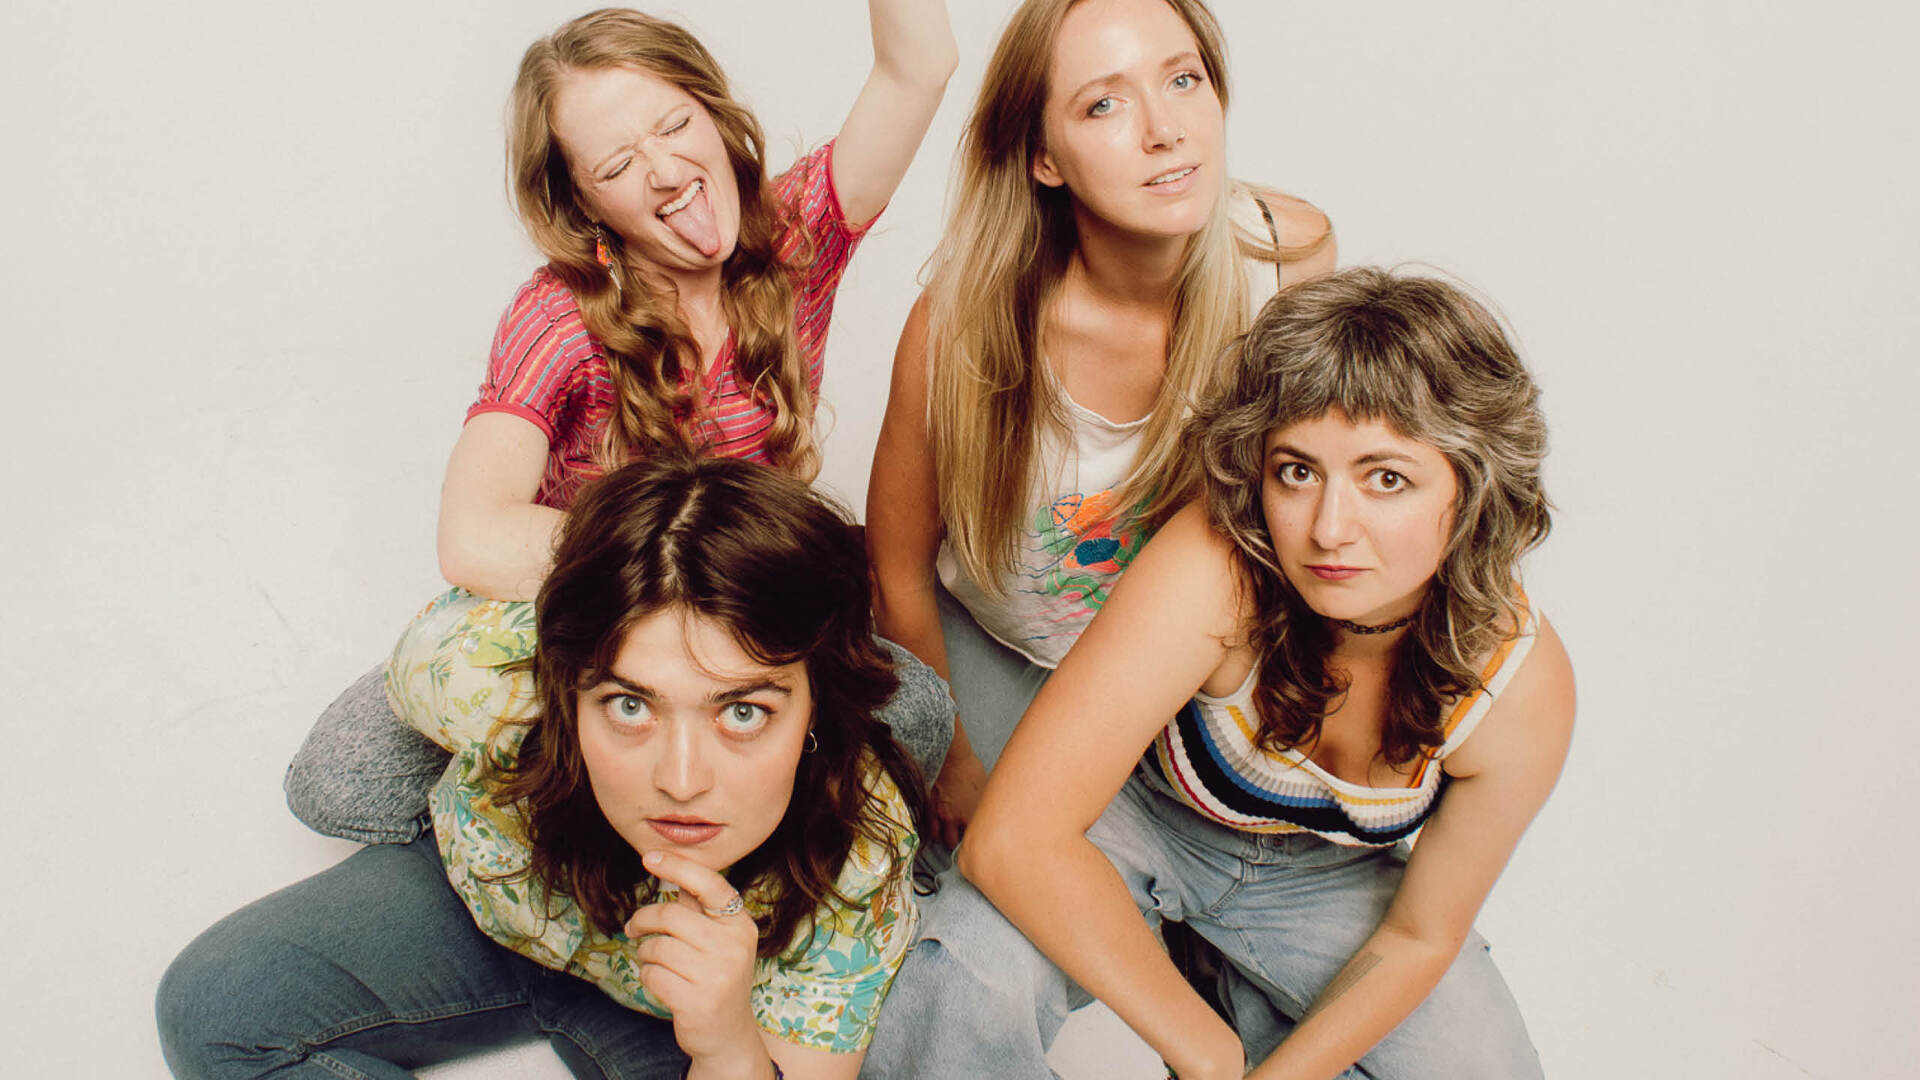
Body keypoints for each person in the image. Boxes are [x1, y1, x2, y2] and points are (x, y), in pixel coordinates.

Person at [868, 267, 1576, 1078]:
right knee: (964, 983)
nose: (1329, 529)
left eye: (1387, 479)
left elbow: (1418, 937)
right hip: (1140, 814)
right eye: (1297, 471)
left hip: (1320, 879)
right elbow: (1013, 841)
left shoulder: (1517, 685)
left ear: (1474, 485)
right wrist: (1206, 1052)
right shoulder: (1217, 566)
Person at [284, 3, 958, 844]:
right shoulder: (558, 316)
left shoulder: (794, 236)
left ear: (713, 112)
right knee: (337, 779)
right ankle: (606, 814)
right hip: (602, 623)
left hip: (748, 620)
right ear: (583, 204)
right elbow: (474, 536)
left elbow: (918, 66)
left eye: (675, 124)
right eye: (617, 164)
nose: (667, 171)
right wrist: (672, 572)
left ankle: (652, 807)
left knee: (919, 714)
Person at [159, 454, 932, 1079]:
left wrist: (728, 1046)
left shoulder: (859, 859)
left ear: (817, 710)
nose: (682, 780)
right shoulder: (480, 680)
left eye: (742, 713)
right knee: (215, 1006)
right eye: (630, 704)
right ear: (566, 690)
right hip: (486, 902)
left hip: (669, 1019)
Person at [864, 0, 1336, 849]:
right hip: (1004, 655)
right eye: (1104, 104)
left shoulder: (1286, 261)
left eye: (1183, 79)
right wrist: (950, 758)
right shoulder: (956, 330)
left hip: (1193, 665)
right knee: (991, 890)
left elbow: (1315, 500)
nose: (1166, 131)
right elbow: (896, 571)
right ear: (1043, 157)